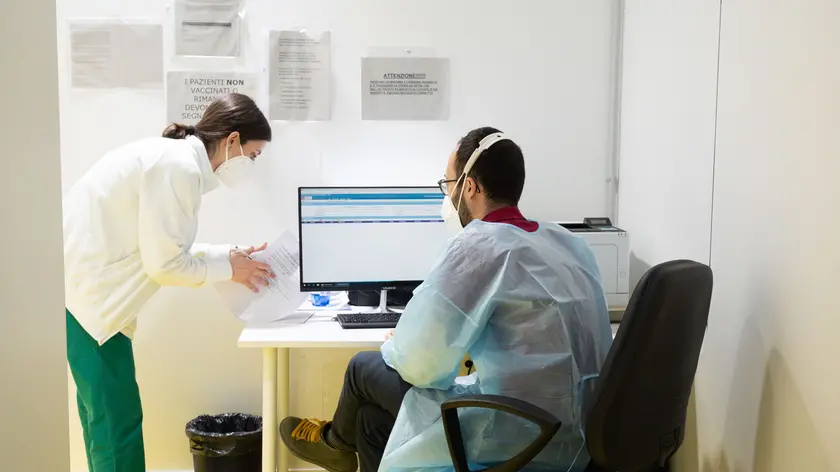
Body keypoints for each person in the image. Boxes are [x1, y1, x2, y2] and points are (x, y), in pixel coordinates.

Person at [279, 127, 613, 472]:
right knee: (370, 422)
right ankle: (342, 444)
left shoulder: (481, 245)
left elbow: (423, 365)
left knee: (362, 368)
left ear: (470, 187)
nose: (448, 195)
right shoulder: (567, 242)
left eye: (448, 184)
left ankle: (334, 444)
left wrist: (403, 343)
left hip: (515, 432)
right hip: (578, 434)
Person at [64, 93, 275, 472]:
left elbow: (167, 248)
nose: (253, 164)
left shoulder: (173, 160)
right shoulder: (179, 168)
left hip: (85, 298)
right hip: (92, 305)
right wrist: (229, 268)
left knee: (104, 423)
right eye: (254, 154)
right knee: (115, 424)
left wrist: (230, 257)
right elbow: (165, 265)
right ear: (231, 141)